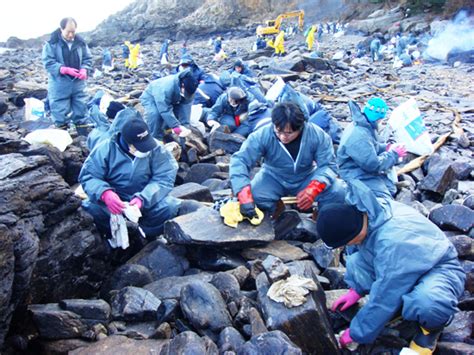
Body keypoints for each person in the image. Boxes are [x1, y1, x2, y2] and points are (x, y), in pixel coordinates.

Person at [316, 180, 465, 354]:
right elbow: (365, 258)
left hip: (438, 267)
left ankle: (431, 330)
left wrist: (358, 332)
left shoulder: (391, 242)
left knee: (427, 303)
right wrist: (355, 290)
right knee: (356, 258)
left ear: (352, 235)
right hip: (406, 263)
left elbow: (386, 294)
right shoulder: (369, 213)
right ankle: (402, 304)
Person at [229, 102, 345, 217]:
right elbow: (240, 160)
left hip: (306, 176)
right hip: (272, 177)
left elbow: (328, 165)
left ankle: (322, 217)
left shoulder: (317, 135)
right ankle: (276, 215)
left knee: (338, 191)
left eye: (289, 133)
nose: (283, 137)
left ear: (301, 127)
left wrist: (314, 187)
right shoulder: (262, 135)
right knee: (254, 197)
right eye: (278, 131)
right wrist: (243, 193)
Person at [79, 118, 182, 238]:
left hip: (146, 198)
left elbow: (164, 177)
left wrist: (143, 199)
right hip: (113, 202)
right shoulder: (105, 149)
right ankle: (112, 238)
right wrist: (104, 193)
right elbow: (89, 176)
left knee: (170, 207)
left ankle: (145, 237)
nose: (145, 150)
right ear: (126, 142)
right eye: (139, 147)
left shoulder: (156, 148)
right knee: (89, 209)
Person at [337, 97, 406, 198]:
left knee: (390, 187)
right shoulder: (360, 135)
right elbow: (373, 165)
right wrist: (394, 154)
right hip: (352, 174)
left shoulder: (362, 125)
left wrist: (386, 147)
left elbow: (371, 147)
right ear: (379, 118)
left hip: (358, 168)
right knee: (384, 196)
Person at [42, 17, 92, 133]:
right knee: (59, 110)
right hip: (59, 83)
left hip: (78, 82)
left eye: (73, 32)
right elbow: (48, 62)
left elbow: (87, 58)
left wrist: (84, 69)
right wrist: (63, 69)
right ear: (61, 29)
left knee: (81, 107)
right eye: (68, 32)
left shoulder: (81, 43)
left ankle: (83, 136)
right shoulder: (51, 44)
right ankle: (62, 135)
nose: (71, 35)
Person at [140, 69, 198, 139]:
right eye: (186, 93)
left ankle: (166, 131)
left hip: (173, 97)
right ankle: (155, 138)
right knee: (155, 115)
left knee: (176, 115)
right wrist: (176, 126)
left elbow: (186, 107)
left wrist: (185, 126)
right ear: (182, 85)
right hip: (151, 97)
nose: (188, 95)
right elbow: (164, 110)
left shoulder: (191, 87)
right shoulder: (166, 88)